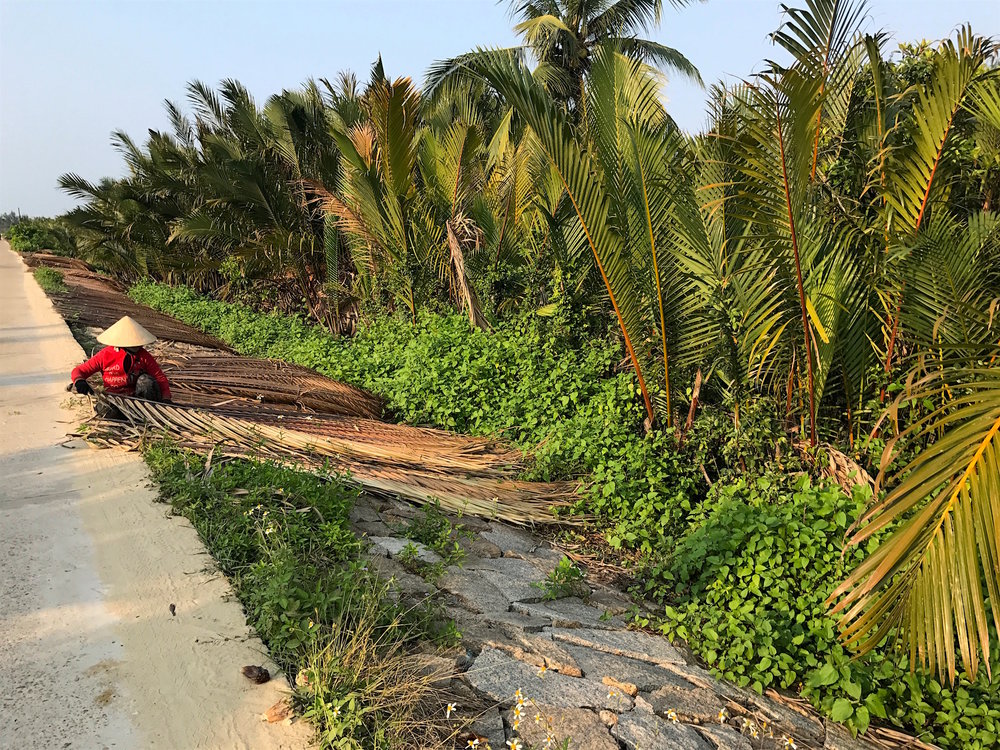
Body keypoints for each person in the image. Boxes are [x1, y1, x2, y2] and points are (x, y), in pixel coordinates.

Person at [69, 316, 172, 417]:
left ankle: (147, 414)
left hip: (139, 400)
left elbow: (159, 377)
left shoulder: (143, 356)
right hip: (115, 399)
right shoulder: (105, 355)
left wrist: (166, 398)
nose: (138, 345)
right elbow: (79, 370)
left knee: (146, 381)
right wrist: (79, 381)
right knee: (104, 412)